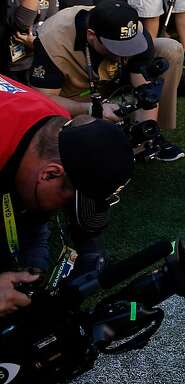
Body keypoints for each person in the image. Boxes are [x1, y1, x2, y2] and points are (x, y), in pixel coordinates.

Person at [0, 79, 134, 312]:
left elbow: (33, 213)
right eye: (68, 202)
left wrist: (34, 261)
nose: (65, 210)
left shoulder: (58, 124)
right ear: (50, 173)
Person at [27, 0, 185, 161]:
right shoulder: (54, 38)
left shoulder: (131, 28)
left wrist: (145, 135)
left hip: (114, 79)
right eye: (118, 47)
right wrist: (90, 109)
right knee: (80, 140)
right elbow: (44, 98)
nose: (125, 53)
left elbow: (144, 89)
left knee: (169, 49)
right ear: (91, 35)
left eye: (129, 46)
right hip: (75, 92)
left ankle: (153, 138)